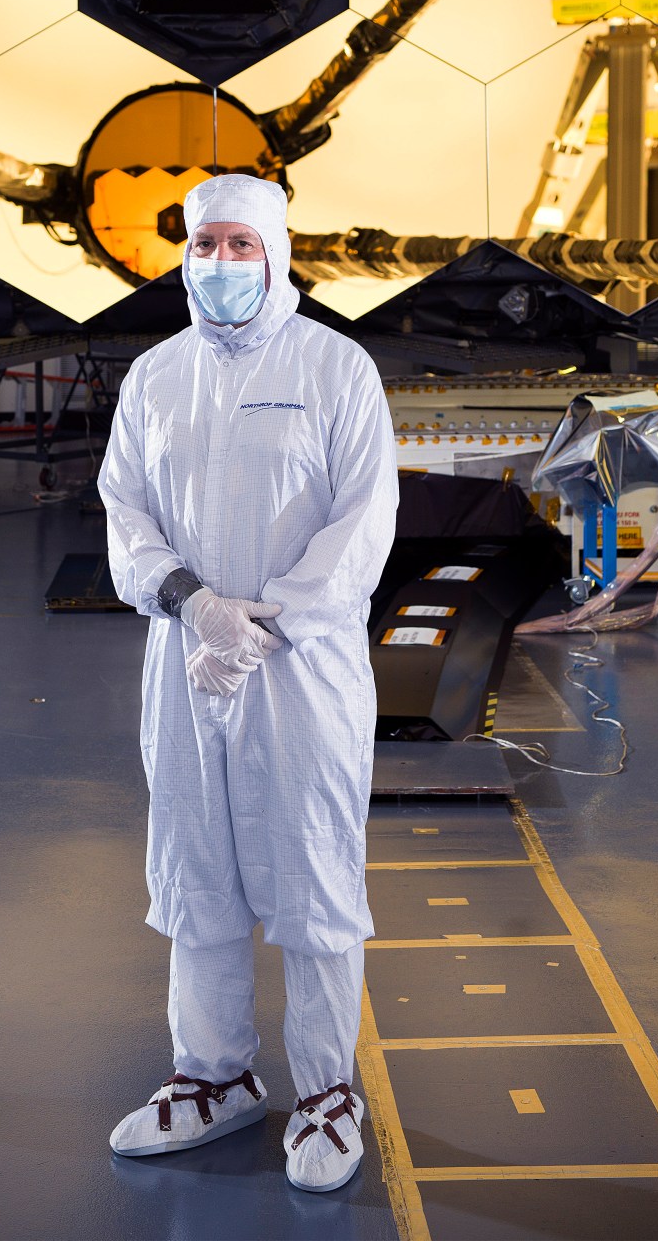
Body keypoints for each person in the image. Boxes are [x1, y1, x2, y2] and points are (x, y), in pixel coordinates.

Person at [97, 173, 399, 1194]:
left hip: (298, 674)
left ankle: (324, 1090)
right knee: (196, 871)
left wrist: (262, 622)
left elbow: (360, 525)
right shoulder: (154, 376)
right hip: (185, 664)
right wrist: (192, 602)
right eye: (202, 243)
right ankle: (213, 1072)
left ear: (274, 252)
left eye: (238, 243)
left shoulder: (334, 368)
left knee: (312, 877)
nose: (218, 262)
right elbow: (123, 513)